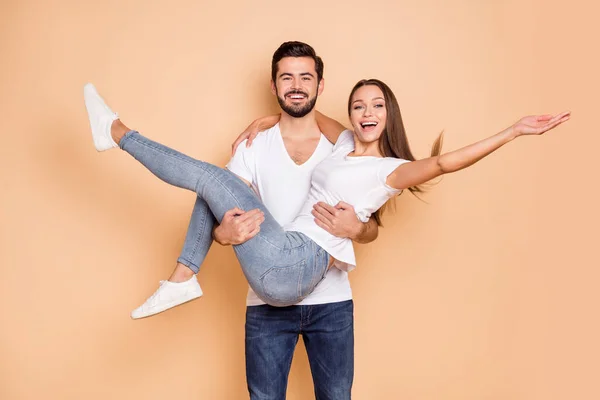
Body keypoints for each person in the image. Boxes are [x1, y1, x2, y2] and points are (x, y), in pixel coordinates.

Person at [84, 46, 569, 398]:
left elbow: (441, 164)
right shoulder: (338, 147)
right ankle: (183, 275)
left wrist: (512, 131)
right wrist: (264, 122)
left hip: (300, 267)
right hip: (274, 273)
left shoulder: (388, 170)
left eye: (378, 106)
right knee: (214, 183)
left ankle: (117, 135)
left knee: (210, 178)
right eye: (359, 105)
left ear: (388, 113)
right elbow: (315, 120)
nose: (366, 112)